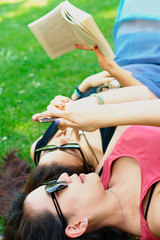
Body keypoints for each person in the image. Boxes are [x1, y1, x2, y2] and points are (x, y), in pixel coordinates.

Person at [4, 125, 160, 240]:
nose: (64, 175)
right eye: (55, 188)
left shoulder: (105, 169)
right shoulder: (155, 217)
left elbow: (142, 99)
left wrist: (92, 103)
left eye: (52, 181)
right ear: (76, 226)